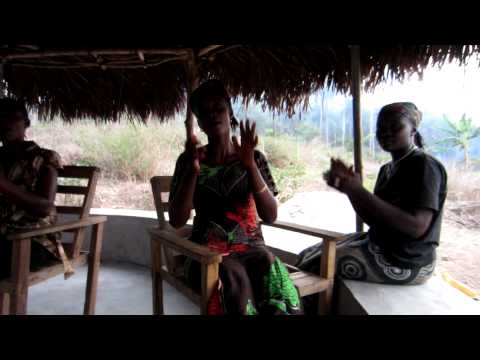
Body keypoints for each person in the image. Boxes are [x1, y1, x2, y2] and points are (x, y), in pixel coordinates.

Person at [168, 80, 302, 315]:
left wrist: (250, 166)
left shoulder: (254, 158)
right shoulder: (189, 160)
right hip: (206, 255)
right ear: (198, 122)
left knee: (271, 271)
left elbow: (270, 216)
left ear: (230, 111)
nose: (213, 115)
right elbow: (177, 221)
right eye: (204, 112)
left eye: (218, 108)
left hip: (253, 251)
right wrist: (192, 172)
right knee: (232, 276)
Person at [298, 102, 447, 291]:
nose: (386, 133)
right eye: (381, 128)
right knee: (307, 255)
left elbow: (417, 227)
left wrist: (358, 191)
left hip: (406, 261)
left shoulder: (424, 165)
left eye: (395, 127)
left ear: (413, 130)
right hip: (381, 244)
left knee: (316, 264)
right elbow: (373, 220)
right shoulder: (387, 170)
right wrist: (350, 191)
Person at [0, 98, 73, 281]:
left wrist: (3, 185)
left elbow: (44, 208)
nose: (6, 122)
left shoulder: (44, 157)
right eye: (1, 117)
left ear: (26, 123)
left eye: (13, 117)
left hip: (35, 240)